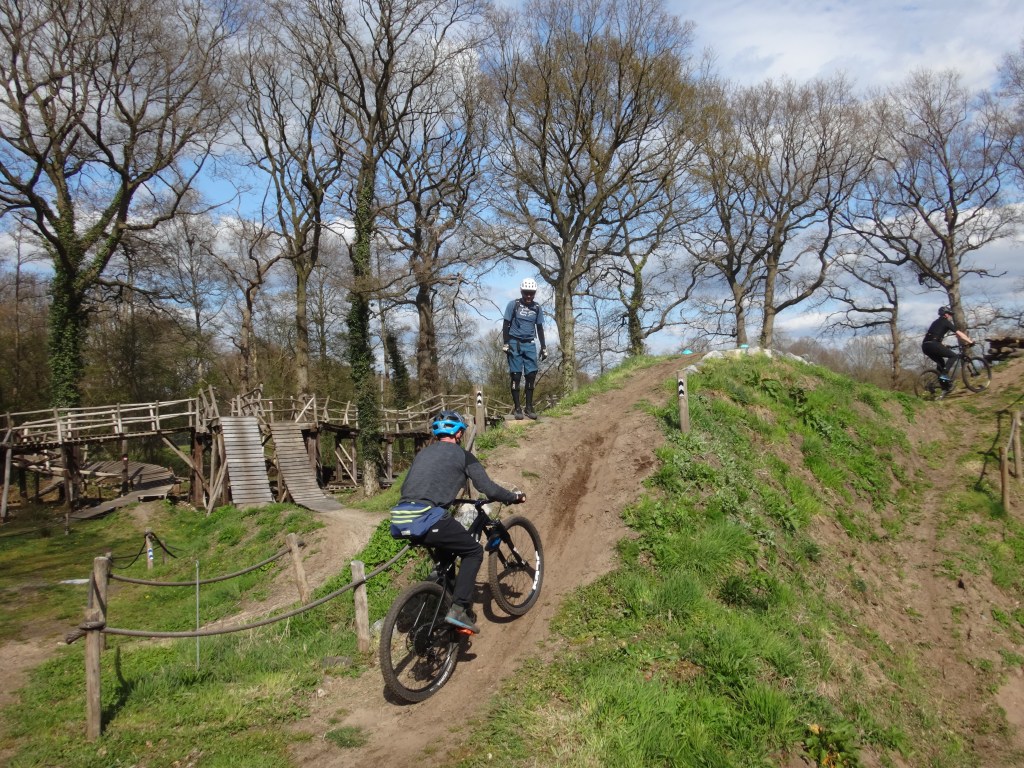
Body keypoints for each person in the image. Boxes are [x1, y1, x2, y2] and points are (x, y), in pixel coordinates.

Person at [389, 410, 525, 634]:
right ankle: (459, 609)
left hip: (401, 519)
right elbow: (488, 489)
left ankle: (446, 611)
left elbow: (408, 488)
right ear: (459, 433)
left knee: (447, 557)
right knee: (473, 551)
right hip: (427, 517)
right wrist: (513, 497)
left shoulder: (422, 455)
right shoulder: (463, 456)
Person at [502, 277, 547, 420]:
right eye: (526, 293)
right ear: (521, 292)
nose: (528, 296)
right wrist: (506, 343)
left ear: (534, 293)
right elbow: (506, 324)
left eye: (531, 293)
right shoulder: (513, 305)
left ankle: (529, 407)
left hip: (530, 344)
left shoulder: (537, 308)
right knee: (516, 376)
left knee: (531, 376)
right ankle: (517, 408)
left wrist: (543, 347)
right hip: (515, 343)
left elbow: (539, 328)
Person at [922, 305, 974, 389]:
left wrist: (944, 346)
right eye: (950, 314)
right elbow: (959, 334)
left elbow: (934, 335)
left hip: (925, 346)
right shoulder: (946, 322)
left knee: (941, 363)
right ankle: (944, 375)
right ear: (946, 314)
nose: (951, 317)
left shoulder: (935, 322)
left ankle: (944, 386)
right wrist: (970, 341)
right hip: (933, 344)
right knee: (954, 356)